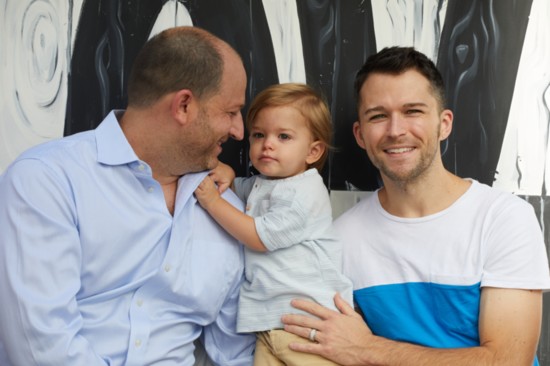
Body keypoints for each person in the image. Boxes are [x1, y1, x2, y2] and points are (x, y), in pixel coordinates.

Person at [0, 26, 255, 365]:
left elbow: (237, 353)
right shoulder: (48, 180)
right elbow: (41, 348)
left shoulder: (229, 212)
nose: (239, 131)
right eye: (231, 111)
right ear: (183, 106)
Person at [281, 46, 550, 365]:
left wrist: (366, 349)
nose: (396, 131)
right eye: (378, 116)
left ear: (444, 123)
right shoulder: (339, 240)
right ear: (360, 134)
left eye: (413, 112)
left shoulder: (503, 218)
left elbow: (508, 361)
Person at [194, 82, 353, 365]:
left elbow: (258, 238)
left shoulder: (304, 193)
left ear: (313, 152)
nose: (268, 144)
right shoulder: (264, 184)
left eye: (284, 136)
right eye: (258, 135)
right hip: (270, 324)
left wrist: (212, 202)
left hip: (308, 325)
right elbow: (237, 191)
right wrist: (228, 174)